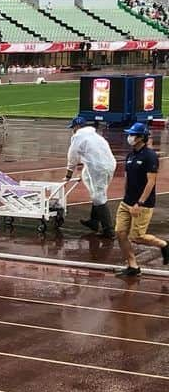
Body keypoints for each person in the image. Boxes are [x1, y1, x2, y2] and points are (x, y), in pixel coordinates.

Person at [115, 122, 169, 277]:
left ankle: (163, 245)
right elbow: (127, 178)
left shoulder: (150, 156)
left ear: (141, 138)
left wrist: (140, 202)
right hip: (126, 202)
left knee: (137, 237)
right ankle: (132, 265)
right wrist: (126, 197)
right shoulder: (130, 155)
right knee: (120, 232)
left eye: (132, 135)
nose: (129, 137)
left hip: (142, 204)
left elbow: (151, 182)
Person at [64, 117, 116, 238]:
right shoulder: (95, 135)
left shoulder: (78, 137)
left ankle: (109, 230)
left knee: (99, 197)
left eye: (73, 128)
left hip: (98, 168)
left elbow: (72, 157)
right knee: (90, 183)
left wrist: (68, 176)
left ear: (77, 127)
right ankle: (94, 221)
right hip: (109, 164)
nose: (72, 130)